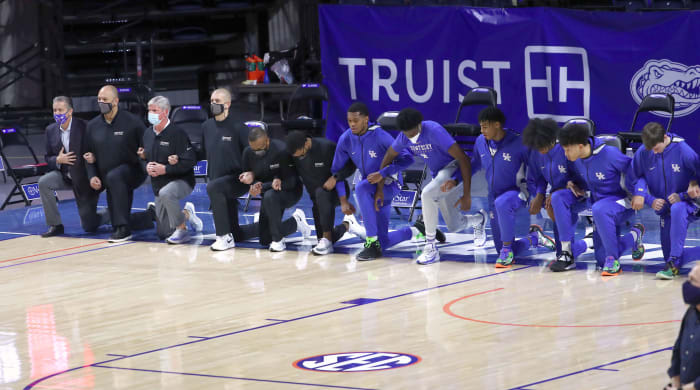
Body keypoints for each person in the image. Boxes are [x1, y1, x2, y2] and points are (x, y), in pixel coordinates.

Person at [444, 107, 555, 268]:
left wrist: (539, 195)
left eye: (485, 126)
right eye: (480, 126)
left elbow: (539, 172)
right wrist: (455, 179)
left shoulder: (520, 143)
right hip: (493, 196)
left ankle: (508, 249)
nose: (481, 131)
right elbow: (473, 164)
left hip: (519, 192)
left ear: (497, 125)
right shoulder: (481, 142)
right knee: (501, 248)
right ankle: (534, 238)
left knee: (503, 209)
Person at [377, 108, 487, 265]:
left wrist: (467, 194)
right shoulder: (404, 136)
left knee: (427, 194)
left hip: (453, 167)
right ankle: (480, 219)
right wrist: (380, 184)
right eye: (407, 134)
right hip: (439, 176)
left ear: (419, 124)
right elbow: (389, 155)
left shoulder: (434, 130)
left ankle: (430, 247)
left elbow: (463, 159)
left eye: (413, 133)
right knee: (454, 225)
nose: (411, 137)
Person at [330, 102, 432, 261]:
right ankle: (417, 230)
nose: (352, 124)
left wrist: (383, 173)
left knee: (361, 188)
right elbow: (336, 172)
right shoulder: (346, 139)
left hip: (391, 184)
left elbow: (407, 159)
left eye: (355, 121)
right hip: (371, 187)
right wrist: (343, 200)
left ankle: (370, 242)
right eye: (349, 121)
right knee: (383, 242)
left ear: (366, 119)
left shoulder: (380, 136)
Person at [558, 122, 645, 276]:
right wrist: (571, 183)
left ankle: (613, 260)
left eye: (567, 150)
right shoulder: (576, 158)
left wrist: (639, 193)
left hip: (622, 202)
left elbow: (638, 172)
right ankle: (635, 234)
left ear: (580, 146)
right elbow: (573, 176)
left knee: (599, 209)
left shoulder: (610, 154)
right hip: (599, 204)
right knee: (600, 260)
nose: (565, 154)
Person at [83, 85, 153, 242]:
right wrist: (92, 175)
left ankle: (123, 228)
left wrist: (146, 159)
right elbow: (87, 155)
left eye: (105, 100)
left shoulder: (133, 122)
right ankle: (148, 216)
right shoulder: (92, 126)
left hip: (133, 171)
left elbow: (147, 144)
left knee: (115, 177)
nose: (101, 102)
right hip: (105, 173)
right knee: (88, 223)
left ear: (115, 101)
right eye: (99, 99)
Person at [631, 121, 700, 279]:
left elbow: (698, 177)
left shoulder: (684, 151)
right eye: (650, 149)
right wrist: (648, 198)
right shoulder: (644, 152)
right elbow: (634, 177)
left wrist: (684, 194)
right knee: (667, 258)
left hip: (689, 203)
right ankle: (673, 260)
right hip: (665, 209)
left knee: (678, 208)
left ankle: (675, 261)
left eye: (656, 148)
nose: (654, 153)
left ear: (664, 137)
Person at [131, 96, 202, 244]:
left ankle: (182, 230)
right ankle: (187, 213)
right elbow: (142, 157)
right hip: (158, 185)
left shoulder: (178, 133)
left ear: (165, 112)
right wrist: (146, 166)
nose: (150, 113)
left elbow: (190, 161)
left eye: (154, 110)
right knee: (164, 232)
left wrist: (167, 169)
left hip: (182, 180)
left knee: (167, 193)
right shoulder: (147, 134)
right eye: (149, 110)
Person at [285, 130, 366, 255]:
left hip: (335, 193)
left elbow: (350, 165)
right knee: (321, 240)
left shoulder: (327, 147)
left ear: (306, 144)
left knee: (321, 193)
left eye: (300, 155)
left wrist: (335, 178)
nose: (298, 158)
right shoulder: (294, 154)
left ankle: (327, 239)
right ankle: (347, 225)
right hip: (316, 201)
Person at [522, 118, 588, 272]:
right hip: (558, 197)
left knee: (557, 198)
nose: (540, 150)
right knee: (561, 254)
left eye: (542, 146)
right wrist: (539, 195)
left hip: (581, 194)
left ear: (552, 139)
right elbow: (538, 178)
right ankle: (587, 243)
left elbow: (584, 179)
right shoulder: (536, 153)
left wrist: (565, 186)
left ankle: (576, 248)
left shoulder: (566, 149)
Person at [39, 96, 110, 237]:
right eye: (55, 110)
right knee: (44, 182)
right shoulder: (50, 130)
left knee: (89, 225)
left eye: (61, 110)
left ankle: (112, 212)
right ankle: (55, 224)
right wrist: (58, 159)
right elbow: (48, 157)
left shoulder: (86, 126)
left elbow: (98, 151)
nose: (57, 113)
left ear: (70, 111)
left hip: (85, 178)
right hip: (65, 175)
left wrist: (94, 174)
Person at [238, 126, 310, 252]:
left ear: (267, 141)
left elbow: (291, 182)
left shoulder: (281, 150)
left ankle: (278, 240)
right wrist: (251, 182)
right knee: (265, 239)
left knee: (270, 195)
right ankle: (296, 222)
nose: (256, 153)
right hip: (267, 195)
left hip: (290, 192)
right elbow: (252, 179)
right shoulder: (248, 153)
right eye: (253, 149)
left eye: (259, 149)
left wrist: (263, 187)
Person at [199, 88, 251, 251]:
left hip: (237, 180)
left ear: (227, 104)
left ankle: (223, 237)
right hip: (217, 181)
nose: (213, 104)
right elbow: (201, 152)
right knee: (238, 233)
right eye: (212, 101)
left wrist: (252, 174)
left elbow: (251, 153)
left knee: (213, 187)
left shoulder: (239, 127)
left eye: (218, 101)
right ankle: (294, 224)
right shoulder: (206, 126)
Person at [664, 263, 700, 390]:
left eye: (692, 280)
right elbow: (678, 349)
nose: (687, 285)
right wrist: (676, 383)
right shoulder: (691, 313)